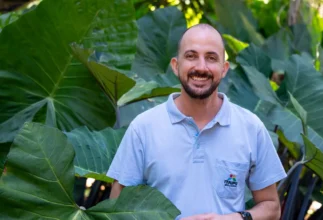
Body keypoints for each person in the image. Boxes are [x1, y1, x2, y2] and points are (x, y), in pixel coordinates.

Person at [107, 23, 287, 220]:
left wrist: (236, 218)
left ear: (224, 68)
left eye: (211, 58)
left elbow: (272, 208)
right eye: (191, 56)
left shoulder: (251, 128)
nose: (201, 67)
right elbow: (117, 212)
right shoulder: (143, 128)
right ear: (176, 66)